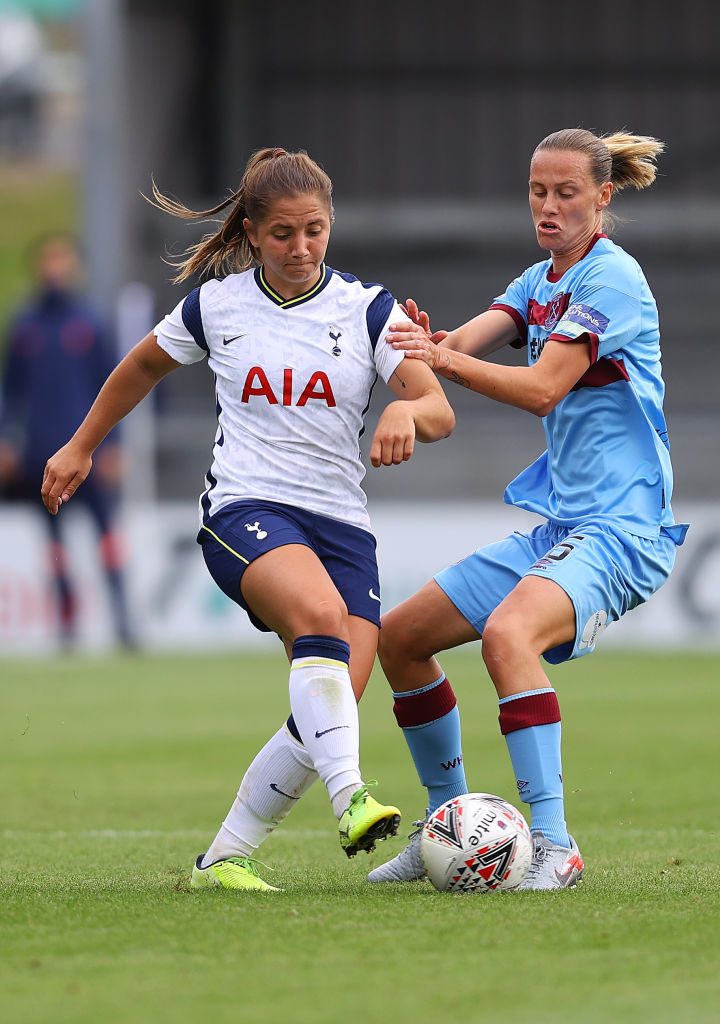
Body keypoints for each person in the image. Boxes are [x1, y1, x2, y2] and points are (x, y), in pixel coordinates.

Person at [41, 147, 455, 891]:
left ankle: (224, 858)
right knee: (321, 623)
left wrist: (406, 411)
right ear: (254, 234)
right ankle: (352, 800)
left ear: (331, 225)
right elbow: (141, 366)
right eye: (283, 234)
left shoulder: (368, 310)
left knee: (327, 708)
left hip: (342, 526)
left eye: (314, 230)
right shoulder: (217, 305)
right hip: (246, 508)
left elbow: (437, 407)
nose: (301, 247)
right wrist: (81, 446)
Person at [368, 128, 689, 890]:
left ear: (602, 198)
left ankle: (554, 843)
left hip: (623, 531)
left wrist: (442, 359)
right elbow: (458, 344)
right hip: (563, 529)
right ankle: (447, 824)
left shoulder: (612, 280)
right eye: (537, 192)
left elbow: (542, 387)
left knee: (508, 635)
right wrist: (414, 347)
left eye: (565, 193)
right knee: (401, 639)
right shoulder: (538, 280)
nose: (547, 206)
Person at [0, 233, 132, 649]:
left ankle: (124, 622)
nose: (55, 268)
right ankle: (67, 626)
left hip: (89, 451)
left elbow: (116, 385)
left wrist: (115, 443)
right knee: (55, 545)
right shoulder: (25, 326)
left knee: (106, 534)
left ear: (75, 266)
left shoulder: (90, 323)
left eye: (62, 259)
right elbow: (10, 390)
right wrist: (7, 439)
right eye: (48, 260)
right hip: (43, 454)